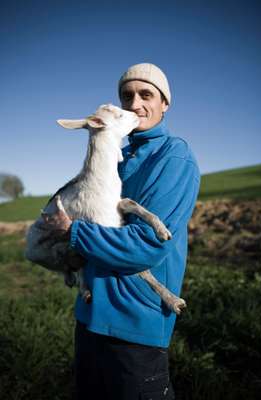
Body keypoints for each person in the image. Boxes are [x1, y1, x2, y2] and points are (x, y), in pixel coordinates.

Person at [43, 63, 200, 399]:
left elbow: (146, 244)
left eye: (146, 94)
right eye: (127, 95)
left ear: (165, 104)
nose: (135, 103)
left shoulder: (174, 157)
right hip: (89, 315)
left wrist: (73, 231)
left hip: (135, 321)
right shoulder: (115, 159)